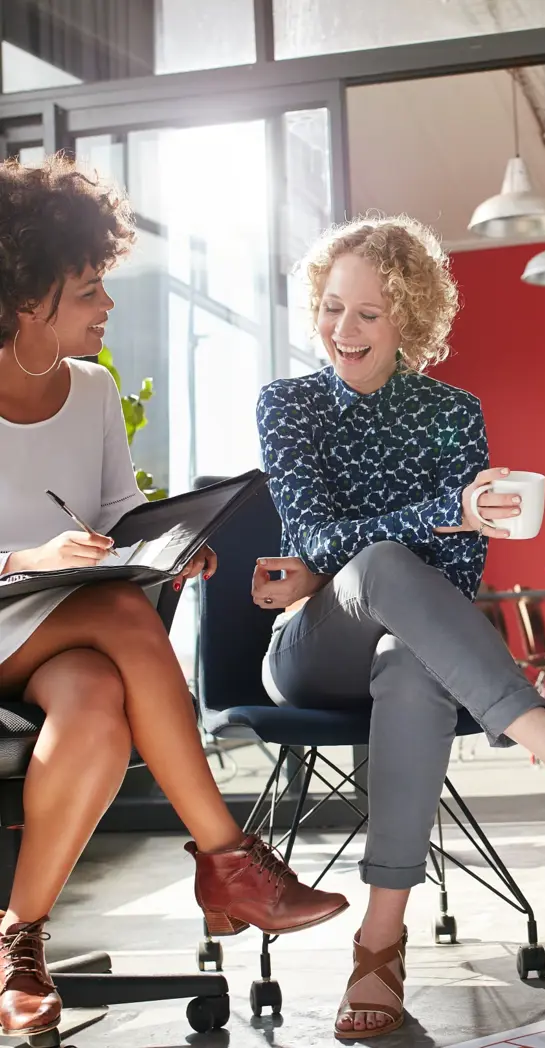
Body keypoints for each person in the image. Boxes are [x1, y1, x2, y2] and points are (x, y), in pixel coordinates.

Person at [252, 214, 545, 1040]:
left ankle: (379, 944)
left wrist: (426, 533)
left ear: (408, 321)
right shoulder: (289, 405)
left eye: (369, 313)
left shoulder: (454, 414)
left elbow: (455, 583)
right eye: (332, 308)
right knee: (377, 563)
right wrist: (443, 513)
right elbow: (314, 541)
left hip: (405, 649)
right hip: (310, 646)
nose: (344, 330)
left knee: (413, 667)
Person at [0, 155, 349, 1039]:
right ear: (25, 298)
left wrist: (166, 553)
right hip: (9, 607)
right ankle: (228, 859)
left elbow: (118, 518)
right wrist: (29, 556)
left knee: (98, 710)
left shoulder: (93, 390)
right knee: (119, 618)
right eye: (87, 291)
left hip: (62, 637)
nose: (106, 306)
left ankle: (18, 942)